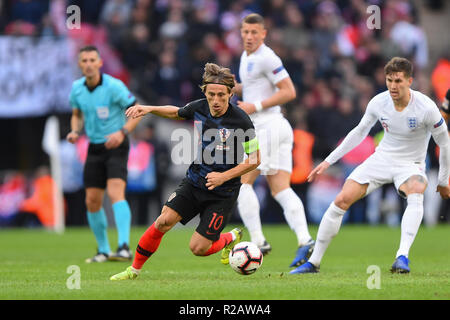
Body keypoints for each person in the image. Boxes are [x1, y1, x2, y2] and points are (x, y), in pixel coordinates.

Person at [291, 57, 450, 275]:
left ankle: (402, 257)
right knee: (341, 200)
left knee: (416, 190)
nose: (393, 86)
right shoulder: (379, 102)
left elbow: (444, 142)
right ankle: (314, 262)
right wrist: (329, 160)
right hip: (381, 159)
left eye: (398, 81)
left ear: (410, 81)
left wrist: (442, 181)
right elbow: (359, 132)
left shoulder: (426, 107)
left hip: (410, 164)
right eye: (389, 80)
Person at [110, 63, 261, 280]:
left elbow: (255, 159)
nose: (216, 100)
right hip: (195, 181)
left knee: (198, 248)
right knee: (163, 221)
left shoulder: (241, 120)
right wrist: (149, 108)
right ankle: (133, 270)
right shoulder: (199, 107)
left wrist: (224, 177)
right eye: (211, 95)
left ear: (230, 93)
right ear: (205, 93)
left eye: (221, 95)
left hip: (223, 191)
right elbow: (177, 113)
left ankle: (230, 238)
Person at [233, 13, 314, 267]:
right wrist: (232, 88)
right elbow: (254, 87)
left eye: (254, 32)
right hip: (277, 127)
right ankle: (305, 240)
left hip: (266, 127)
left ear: (264, 34)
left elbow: (289, 91)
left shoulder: (267, 57)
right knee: (281, 189)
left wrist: (254, 105)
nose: (249, 37)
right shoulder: (246, 57)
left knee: (242, 182)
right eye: (245, 32)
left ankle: (257, 241)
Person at [66, 45, 141, 263]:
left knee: (116, 192)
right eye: (84, 61)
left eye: (92, 60)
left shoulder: (114, 86)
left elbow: (137, 111)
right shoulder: (77, 89)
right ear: (80, 64)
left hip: (117, 144)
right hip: (95, 146)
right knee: (92, 200)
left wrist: (122, 132)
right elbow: (77, 114)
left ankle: (124, 247)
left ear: (99, 63)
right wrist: (74, 130)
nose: (88, 64)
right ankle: (103, 250)